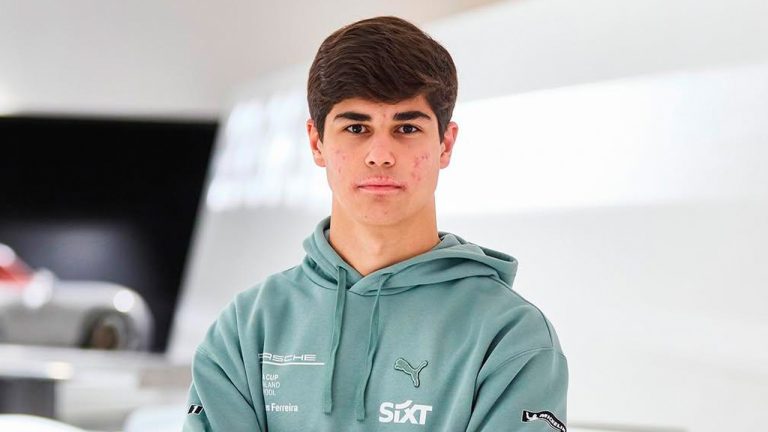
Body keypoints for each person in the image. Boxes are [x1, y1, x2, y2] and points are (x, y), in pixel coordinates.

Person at [183, 16, 568, 432]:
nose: (380, 154)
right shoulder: (247, 329)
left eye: (407, 127)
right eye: (356, 127)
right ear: (316, 142)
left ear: (445, 144)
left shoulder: (509, 336)